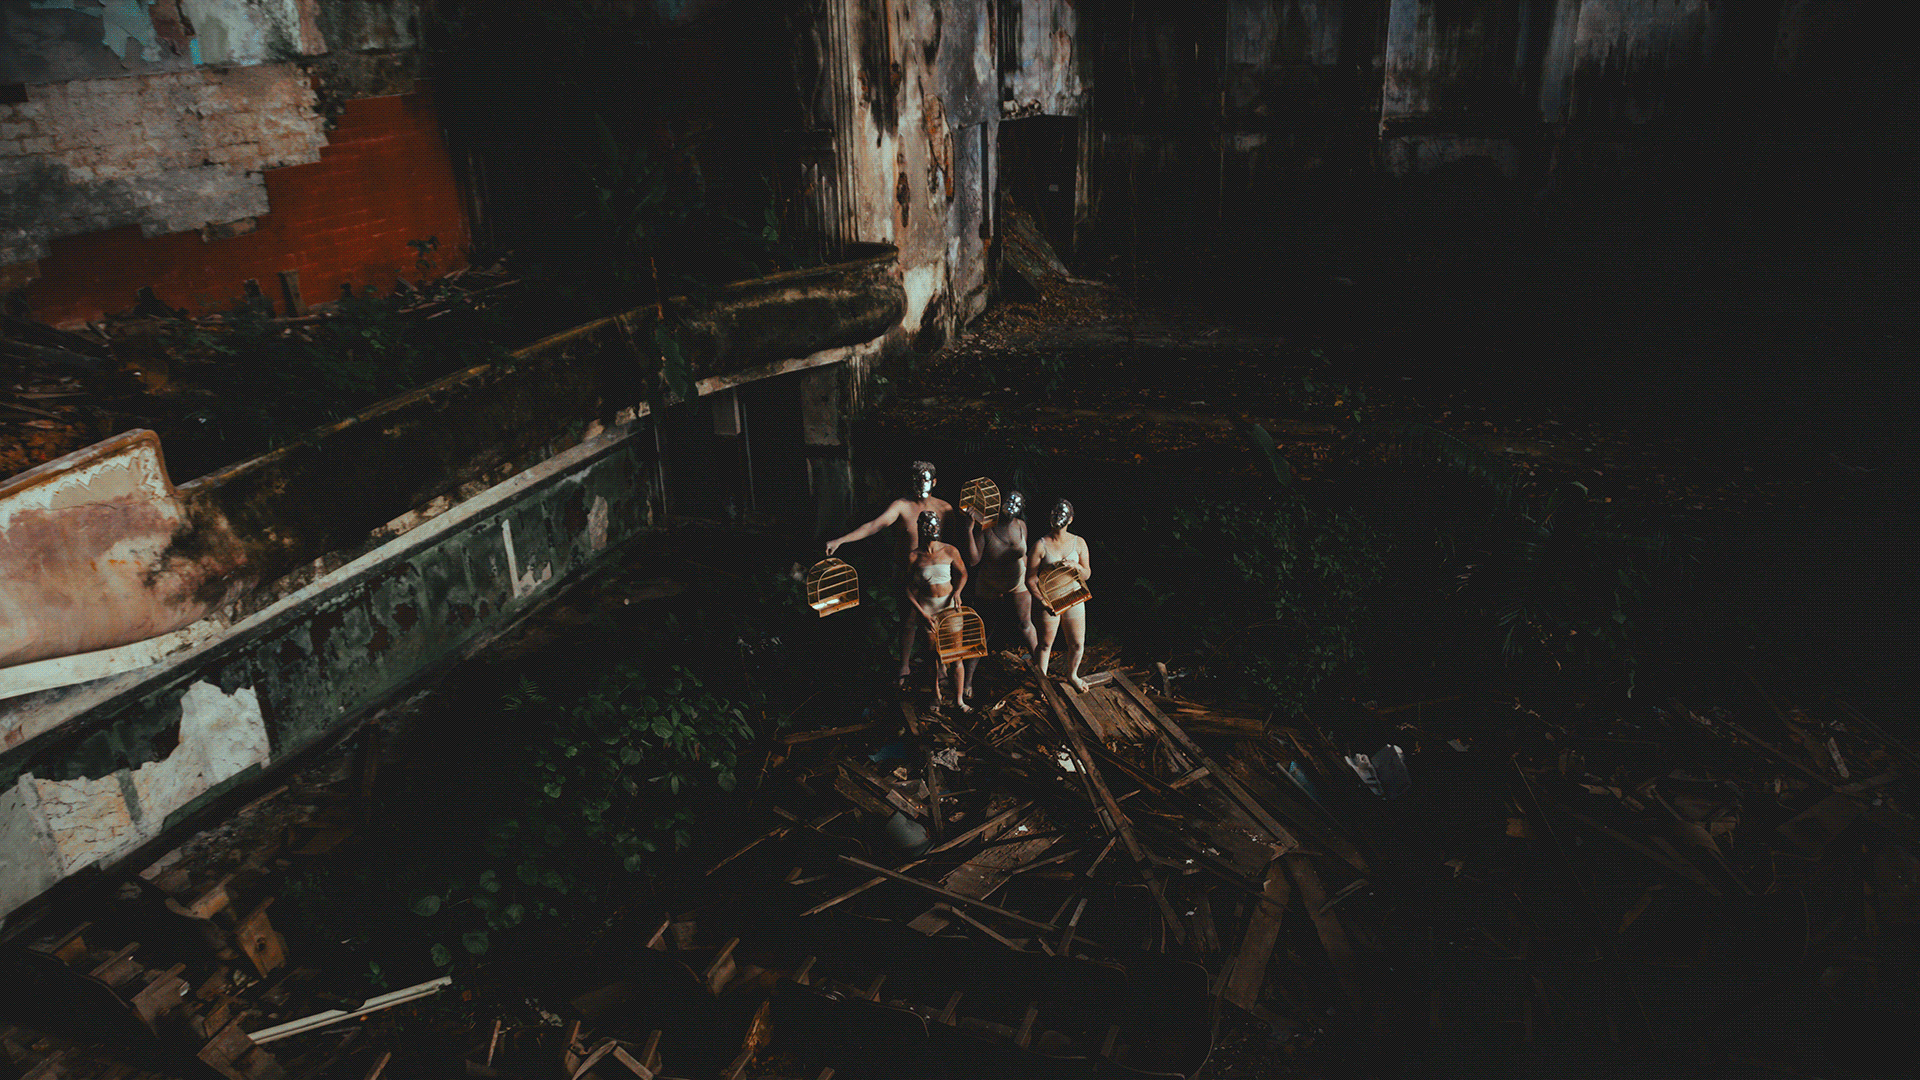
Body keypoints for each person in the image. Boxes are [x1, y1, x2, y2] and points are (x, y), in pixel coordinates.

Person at [824, 461, 955, 686]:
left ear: (934, 482)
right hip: (908, 574)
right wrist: (841, 539)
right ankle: (904, 666)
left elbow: (954, 544)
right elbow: (875, 525)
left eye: (924, 479)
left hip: (936, 575)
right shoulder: (901, 506)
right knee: (908, 621)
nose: (919, 484)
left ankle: (941, 666)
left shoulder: (945, 509)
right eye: (915, 479)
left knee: (940, 622)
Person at [960, 488, 1037, 701]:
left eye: (1017, 504)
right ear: (1001, 503)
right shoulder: (987, 528)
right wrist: (968, 530)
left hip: (1017, 582)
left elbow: (1026, 556)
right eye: (1009, 501)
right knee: (982, 631)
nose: (1012, 507)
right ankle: (967, 681)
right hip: (990, 584)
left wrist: (1030, 580)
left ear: (1021, 509)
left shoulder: (1022, 526)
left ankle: (1043, 670)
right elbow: (974, 560)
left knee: (1026, 624)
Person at [907, 511, 971, 709]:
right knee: (932, 656)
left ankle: (959, 700)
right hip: (928, 608)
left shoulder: (950, 550)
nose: (930, 530)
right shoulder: (914, 556)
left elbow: (963, 574)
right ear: (920, 529)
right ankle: (936, 696)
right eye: (926, 526)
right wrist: (921, 612)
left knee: (956, 655)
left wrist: (958, 592)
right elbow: (908, 589)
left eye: (934, 526)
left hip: (949, 606)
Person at [1027, 497, 1092, 692]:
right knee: (1046, 644)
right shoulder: (1041, 545)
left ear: (1071, 519)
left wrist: (1077, 566)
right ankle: (1042, 683)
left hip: (1073, 597)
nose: (1058, 517)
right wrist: (1042, 601)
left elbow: (1087, 573)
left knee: (1077, 644)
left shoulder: (1078, 542)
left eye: (1063, 514)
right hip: (1050, 599)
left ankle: (1072, 675)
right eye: (1054, 513)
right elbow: (1030, 579)